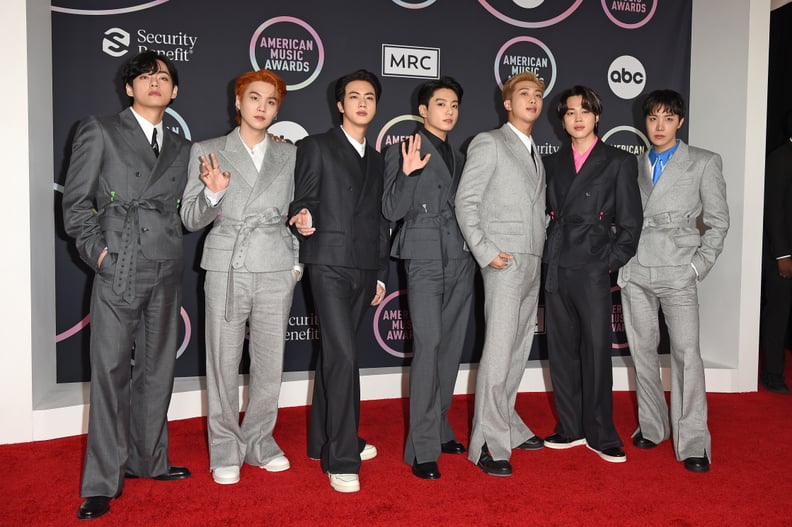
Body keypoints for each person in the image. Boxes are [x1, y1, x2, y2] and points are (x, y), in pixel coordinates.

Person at [62, 51, 191, 520]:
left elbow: (186, 209)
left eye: (163, 77)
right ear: (129, 88)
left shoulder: (181, 144)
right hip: (119, 263)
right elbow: (75, 206)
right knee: (110, 372)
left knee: (158, 370)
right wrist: (100, 255)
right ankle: (101, 481)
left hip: (166, 264)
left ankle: (149, 460)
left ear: (174, 92)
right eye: (144, 76)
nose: (154, 82)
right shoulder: (99, 129)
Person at [180, 70, 301, 485]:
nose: (262, 108)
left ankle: (261, 442)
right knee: (223, 362)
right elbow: (190, 218)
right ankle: (225, 448)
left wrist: (296, 257)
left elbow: (296, 211)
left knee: (270, 364)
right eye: (254, 98)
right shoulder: (209, 150)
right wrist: (213, 194)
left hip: (275, 265)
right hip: (227, 264)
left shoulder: (289, 154)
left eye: (270, 102)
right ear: (238, 102)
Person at [288, 69, 390, 493]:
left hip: (365, 268)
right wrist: (302, 217)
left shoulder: (381, 158)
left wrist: (381, 274)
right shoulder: (316, 146)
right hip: (327, 263)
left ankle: (321, 441)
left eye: (369, 96)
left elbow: (382, 220)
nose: (362, 102)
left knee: (339, 356)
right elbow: (303, 199)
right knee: (344, 357)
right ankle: (343, 456)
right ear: (340, 104)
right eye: (354, 96)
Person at [618, 89, 729, 473]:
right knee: (643, 353)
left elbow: (718, 222)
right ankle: (652, 426)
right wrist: (622, 263)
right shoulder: (631, 164)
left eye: (668, 118)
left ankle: (694, 441)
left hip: (679, 270)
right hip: (636, 269)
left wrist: (698, 266)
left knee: (686, 356)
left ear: (680, 122)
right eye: (652, 119)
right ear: (644, 122)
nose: (659, 126)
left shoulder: (703, 161)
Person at [454, 71, 547, 477]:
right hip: (504, 261)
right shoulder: (488, 142)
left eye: (538, 94)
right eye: (524, 94)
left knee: (517, 350)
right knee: (497, 351)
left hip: (533, 260)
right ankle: (487, 444)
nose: (532, 99)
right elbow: (466, 202)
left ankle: (505, 423)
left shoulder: (535, 151)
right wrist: (487, 252)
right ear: (507, 103)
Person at [543, 85, 642, 464]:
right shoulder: (552, 163)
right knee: (562, 351)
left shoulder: (617, 161)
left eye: (585, 110)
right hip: (557, 265)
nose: (578, 118)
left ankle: (601, 432)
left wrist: (608, 261)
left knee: (597, 351)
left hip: (593, 267)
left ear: (597, 115)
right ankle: (570, 428)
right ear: (562, 119)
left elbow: (631, 223)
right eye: (570, 112)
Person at [382, 77, 475, 480]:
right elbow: (390, 209)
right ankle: (421, 448)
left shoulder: (460, 153)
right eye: (441, 104)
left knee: (451, 347)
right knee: (429, 344)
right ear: (423, 110)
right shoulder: (402, 149)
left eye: (454, 104)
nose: (449, 111)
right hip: (421, 254)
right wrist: (405, 173)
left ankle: (439, 427)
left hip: (460, 254)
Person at [760, 113, 792, 395]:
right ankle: (772, 375)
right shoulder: (781, 159)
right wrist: (783, 254)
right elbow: (774, 210)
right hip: (782, 255)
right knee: (778, 314)